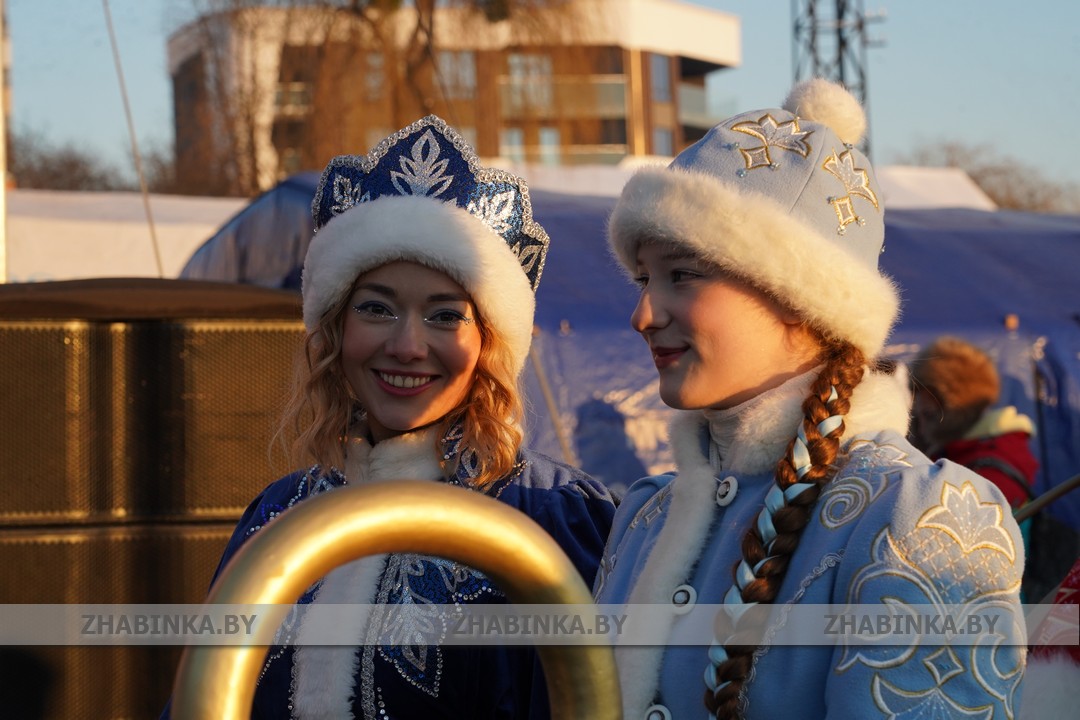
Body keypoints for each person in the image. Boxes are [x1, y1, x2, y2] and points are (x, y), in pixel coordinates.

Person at [592, 79, 1026, 719]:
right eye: (642, 279)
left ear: (797, 296)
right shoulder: (645, 516)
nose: (643, 315)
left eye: (681, 275)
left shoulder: (921, 516)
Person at [165, 117, 616, 719]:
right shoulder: (277, 514)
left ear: (488, 341)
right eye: (376, 309)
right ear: (335, 329)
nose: (406, 347)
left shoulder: (554, 517)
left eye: (445, 316)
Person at [908, 335, 1038, 530]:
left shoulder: (990, 471)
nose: (921, 428)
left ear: (953, 408)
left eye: (929, 416)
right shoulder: (958, 450)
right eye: (917, 418)